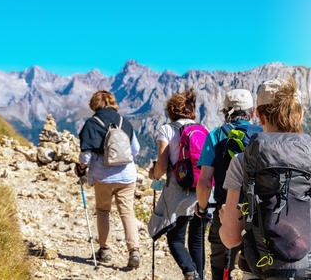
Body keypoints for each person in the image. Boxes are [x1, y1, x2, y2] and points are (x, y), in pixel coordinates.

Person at [219, 77, 311, 280]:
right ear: (300, 115)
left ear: (260, 116)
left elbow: (230, 239)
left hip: (260, 272)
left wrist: (225, 220)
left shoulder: (241, 161)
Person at [195, 89, 262, 280]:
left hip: (226, 211)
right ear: (253, 112)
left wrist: (202, 207)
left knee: (221, 266)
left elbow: (205, 183)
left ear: (225, 112)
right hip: (262, 214)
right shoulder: (264, 135)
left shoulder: (216, 136)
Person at [75, 90, 141, 268]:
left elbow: (86, 157)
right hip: (127, 175)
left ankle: (105, 249)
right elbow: (135, 150)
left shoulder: (91, 123)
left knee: (103, 211)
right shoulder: (124, 121)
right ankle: (134, 250)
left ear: (94, 104)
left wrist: (80, 168)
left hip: (103, 177)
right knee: (127, 212)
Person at [147, 87, 205, 280]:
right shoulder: (202, 130)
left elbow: (162, 166)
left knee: (175, 239)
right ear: (191, 110)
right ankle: (199, 276)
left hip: (178, 193)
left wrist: (153, 174)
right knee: (197, 240)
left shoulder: (166, 129)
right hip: (202, 192)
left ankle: (190, 272)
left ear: (171, 111)